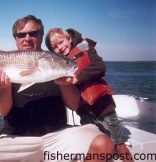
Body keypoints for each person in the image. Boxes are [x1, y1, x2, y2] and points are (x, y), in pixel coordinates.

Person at [0, 15, 114, 162]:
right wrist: (3, 88)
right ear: (15, 38)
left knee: (102, 145)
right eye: (21, 35)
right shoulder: (3, 64)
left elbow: (73, 105)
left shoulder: (55, 61)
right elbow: (3, 111)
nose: (27, 38)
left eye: (33, 33)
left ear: (41, 36)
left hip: (58, 135)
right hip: (17, 138)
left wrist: (66, 85)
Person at [45, 28, 133, 162]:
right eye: (55, 47)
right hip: (84, 111)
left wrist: (77, 78)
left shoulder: (86, 48)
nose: (60, 48)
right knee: (94, 144)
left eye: (61, 42)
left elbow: (100, 67)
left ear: (69, 38)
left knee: (118, 144)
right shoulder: (59, 64)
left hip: (104, 108)